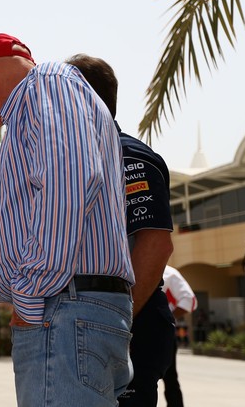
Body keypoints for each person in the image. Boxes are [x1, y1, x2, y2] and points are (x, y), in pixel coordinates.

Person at [0, 33, 134, 407]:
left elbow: (69, 182)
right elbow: (21, 221)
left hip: (61, 311)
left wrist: (30, 298)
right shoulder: (44, 101)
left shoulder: (46, 84)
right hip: (75, 308)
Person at [67, 53, 177, 407]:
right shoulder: (85, 157)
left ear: (83, 99)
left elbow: (155, 244)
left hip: (132, 321)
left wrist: (115, 323)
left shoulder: (128, 156)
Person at [162, 265, 198, 407]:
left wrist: (165, 319)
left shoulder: (169, 273)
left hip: (162, 334)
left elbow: (189, 300)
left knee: (170, 379)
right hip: (133, 331)